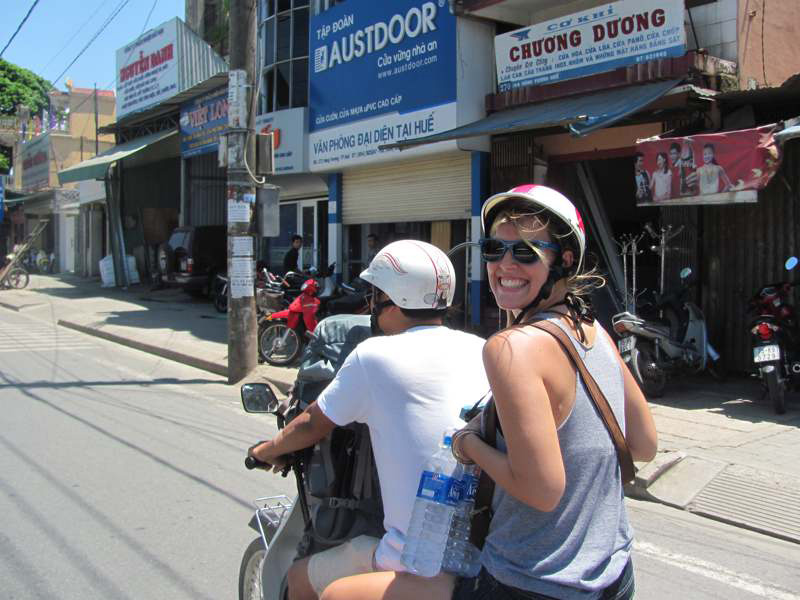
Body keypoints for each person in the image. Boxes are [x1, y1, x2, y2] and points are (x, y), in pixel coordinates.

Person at [447, 184, 658, 600]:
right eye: (494, 249)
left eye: (525, 252)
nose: (504, 264)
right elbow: (645, 445)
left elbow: (542, 490)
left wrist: (468, 444)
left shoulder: (511, 347)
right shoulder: (596, 333)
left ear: (562, 262)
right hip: (614, 572)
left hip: (532, 579)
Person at [248, 240, 490, 600]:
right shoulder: (481, 348)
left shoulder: (374, 355)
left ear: (389, 299)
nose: (371, 305)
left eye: (374, 295)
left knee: (300, 578)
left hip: (412, 561)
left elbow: (311, 424)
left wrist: (267, 450)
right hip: (474, 552)